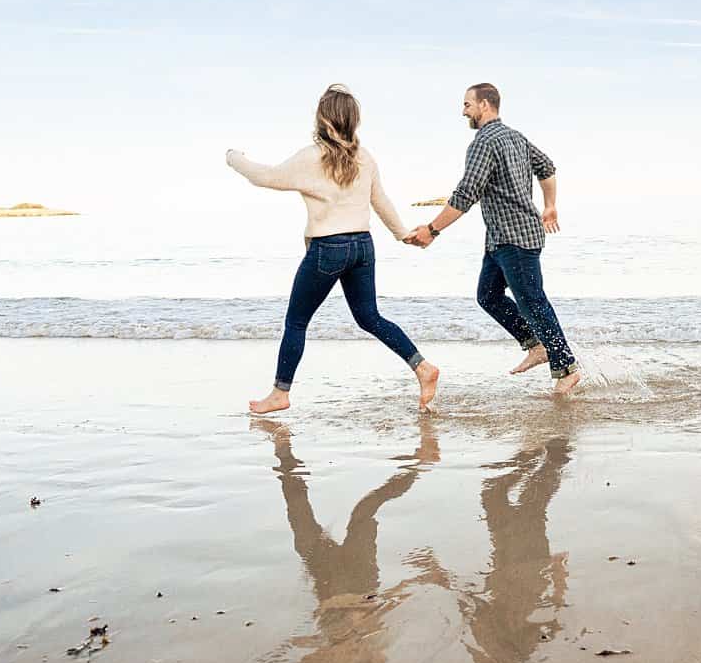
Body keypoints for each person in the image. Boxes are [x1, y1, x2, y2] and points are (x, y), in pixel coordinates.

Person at [226, 84, 440, 415]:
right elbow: (379, 199)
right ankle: (422, 367)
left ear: (323, 120)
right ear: (353, 121)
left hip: (329, 248)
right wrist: (401, 234)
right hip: (363, 247)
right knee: (369, 317)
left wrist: (233, 158)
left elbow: (264, 177)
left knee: (296, 322)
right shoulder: (364, 157)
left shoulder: (311, 157)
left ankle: (280, 393)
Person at [405, 82, 581, 394]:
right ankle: (536, 344)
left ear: (485, 105)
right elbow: (547, 168)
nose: (464, 111)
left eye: (467, 104)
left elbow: (465, 194)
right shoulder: (515, 136)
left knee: (533, 301)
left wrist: (432, 231)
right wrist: (549, 204)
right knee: (488, 295)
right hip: (502, 239)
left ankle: (566, 367)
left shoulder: (483, 142)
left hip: (515, 239)